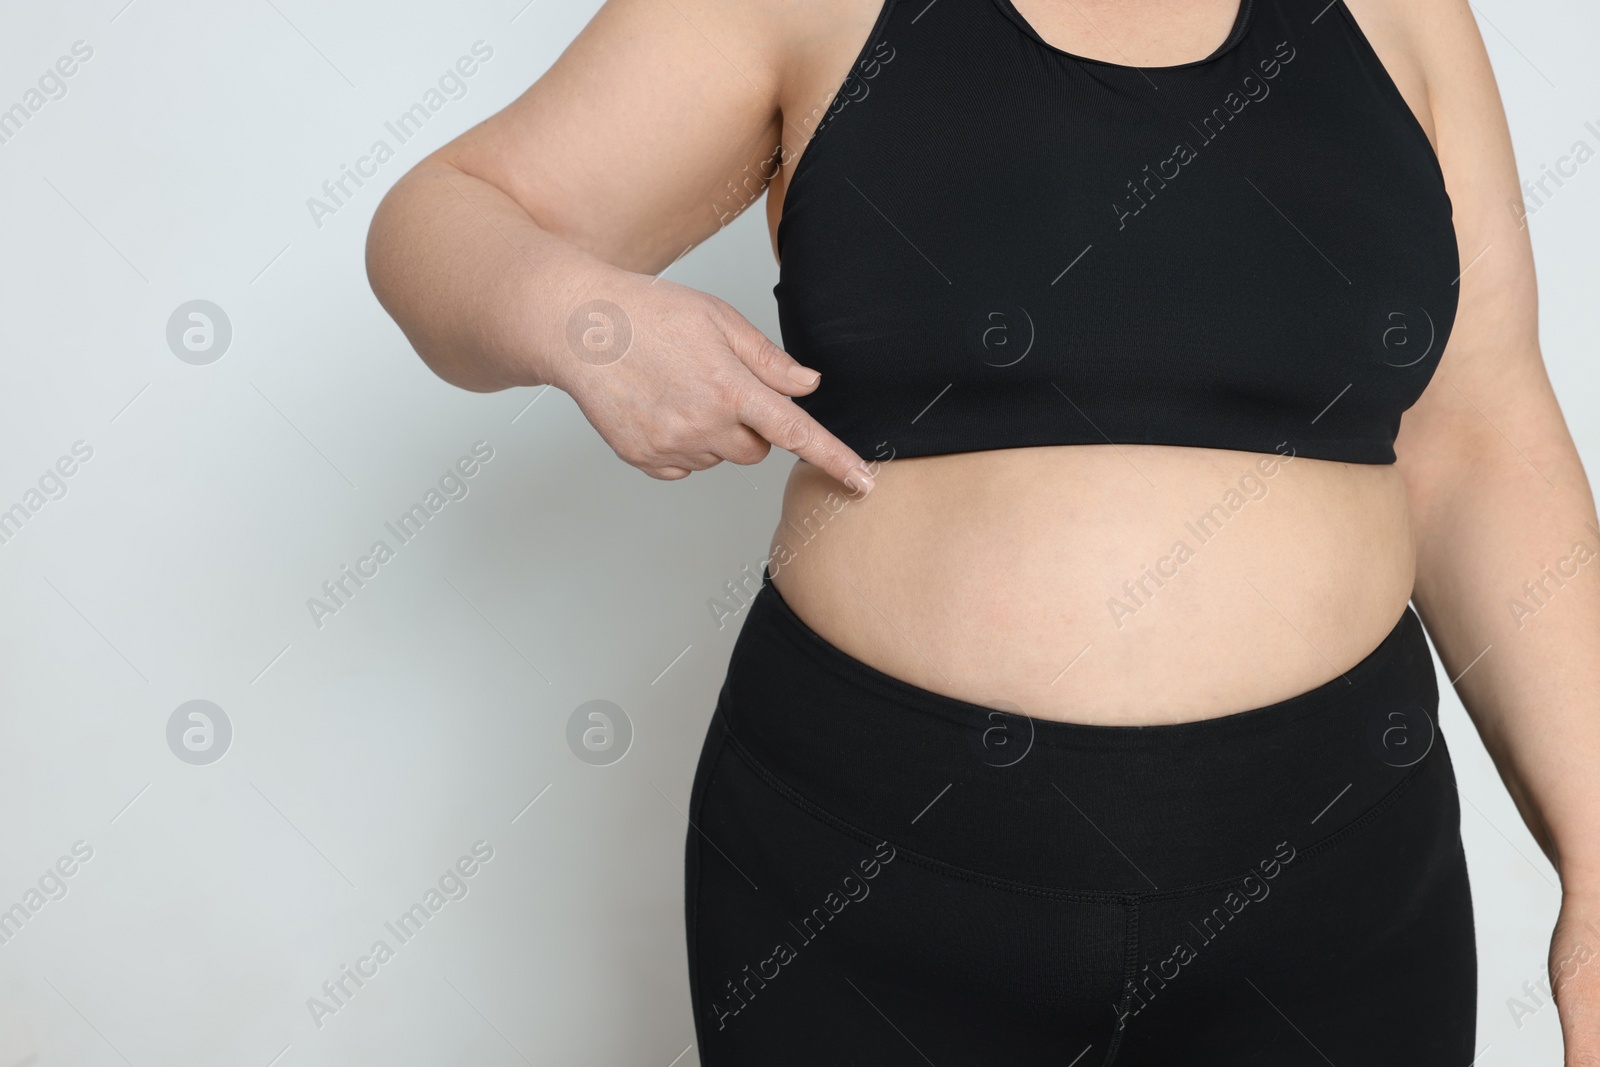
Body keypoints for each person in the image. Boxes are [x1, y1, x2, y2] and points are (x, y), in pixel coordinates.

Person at [365, 0, 1600, 1061]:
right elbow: (442, 218)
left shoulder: (1405, 16)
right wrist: (582, 319)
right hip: (876, 882)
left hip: (1337, 889)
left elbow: (1481, 437)